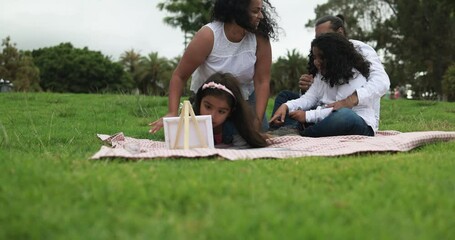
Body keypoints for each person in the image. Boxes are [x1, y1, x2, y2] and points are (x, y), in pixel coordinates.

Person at [149, 0, 279, 134]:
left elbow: (262, 81)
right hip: (209, 98)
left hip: (244, 99)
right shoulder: (208, 35)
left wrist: (257, 121)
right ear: (237, 10)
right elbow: (179, 76)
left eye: (260, 10)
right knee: (199, 136)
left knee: (251, 135)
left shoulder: (260, 37)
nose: (261, 16)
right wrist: (172, 112)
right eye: (255, 11)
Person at [270, 14, 390, 131]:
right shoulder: (321, 56)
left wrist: (351, 99)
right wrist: (305, 89)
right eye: (317, 38)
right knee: (284, 97)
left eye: (324, 36)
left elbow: (381, 82)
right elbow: (313, 95)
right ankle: (285, 130)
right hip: (322, 108)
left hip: (349, 112)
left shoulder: (360, 53)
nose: (320, 41)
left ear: (340, 33)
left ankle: (300, 130)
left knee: (343, 116)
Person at [194, 73, 268, 148]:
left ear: (230, 112)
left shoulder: (235, 128)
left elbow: (241, 149)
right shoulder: (189, 124)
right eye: (208, 107)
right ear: (200, 102)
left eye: (221, 111)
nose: (212, 116)